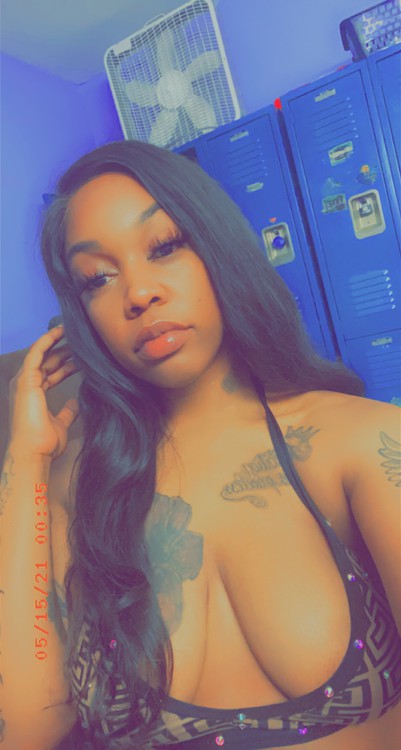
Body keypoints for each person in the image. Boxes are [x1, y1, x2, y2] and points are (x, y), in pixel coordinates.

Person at [1, 140, 400, 750]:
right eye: (98, 278)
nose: (139, 293)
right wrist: (26, 460)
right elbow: (26, 728)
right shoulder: (77, 487)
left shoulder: (360, 442)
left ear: (218, 248)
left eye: (165, 246)